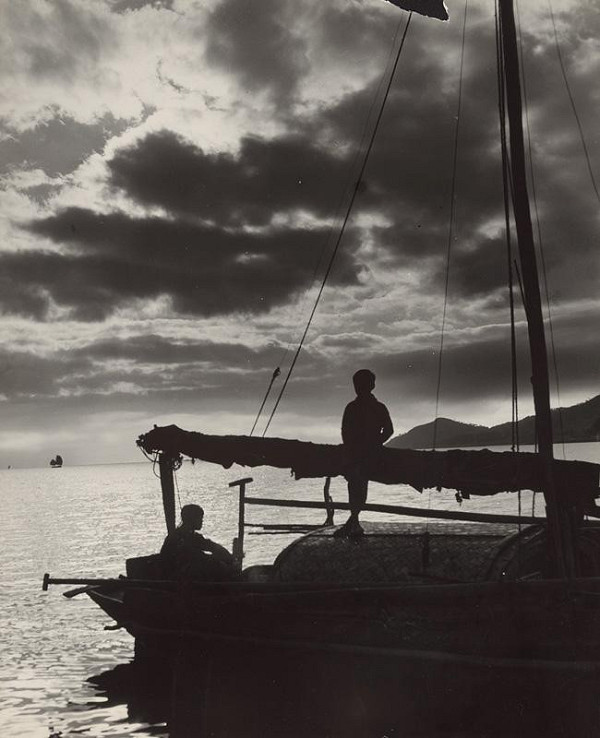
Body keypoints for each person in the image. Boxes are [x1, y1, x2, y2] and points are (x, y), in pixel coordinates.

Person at [336, 369, 393, 539]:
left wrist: (372, 444)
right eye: (356, 384)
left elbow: (345, 432)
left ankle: (352, 523)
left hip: (363, 455)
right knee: (358, 489)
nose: (357, 387)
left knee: (356, 488)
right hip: (359, 454)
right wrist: (374, 443)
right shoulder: (371, 407)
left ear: (371, 385)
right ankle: (353, 523)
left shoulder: (360, 407)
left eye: (359, 384)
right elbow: (388, 431)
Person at [160, 504, 237, 581]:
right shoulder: (182, 537)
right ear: (192, 519)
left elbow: (212, 546)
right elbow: (198, 557)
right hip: (179, 577)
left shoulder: (190, 536)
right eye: (200, 518)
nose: (202, 521)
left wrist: (228, 558)